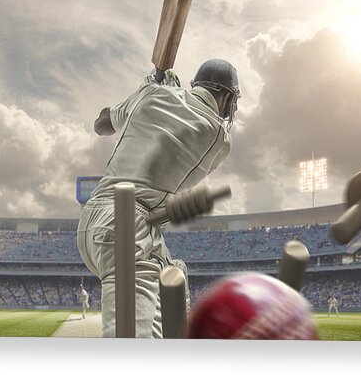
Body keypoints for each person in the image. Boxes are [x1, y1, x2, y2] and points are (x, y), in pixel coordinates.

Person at [77, 59, 240, 338]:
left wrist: (144, 90)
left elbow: (101, 124)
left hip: (92, 223)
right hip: (130, 229)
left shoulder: (150, 95)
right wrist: (156, 93)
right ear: (226, 97)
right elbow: (181, 125)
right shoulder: (219, 139)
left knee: (173, 285)